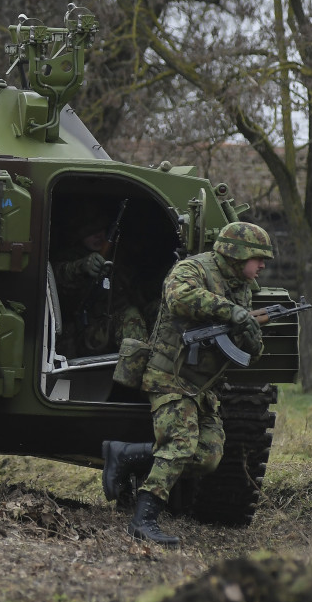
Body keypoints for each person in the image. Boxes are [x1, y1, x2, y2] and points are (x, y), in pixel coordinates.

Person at [100, 221, 273, 545]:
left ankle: (126, 455)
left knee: (207, 455)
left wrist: (251, 339)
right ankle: (143, 521)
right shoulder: (193, 269)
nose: (263, 265)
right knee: (178, 447)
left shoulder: (242, 288)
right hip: (170, 376)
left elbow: (247, 347)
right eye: (259, 257)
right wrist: (232, 313)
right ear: (238, 253)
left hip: (201, 388)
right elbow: (179, 298)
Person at [51, 202, 150, 357]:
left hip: (115, 326)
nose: (99, 236)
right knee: (131, 316)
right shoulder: (70, 257)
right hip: (84, 333)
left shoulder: (118, 255)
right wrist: (81, 267)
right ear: (79, 235)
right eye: (91, 232)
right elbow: (59, 274)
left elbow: (136, 291)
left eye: (101, 230)